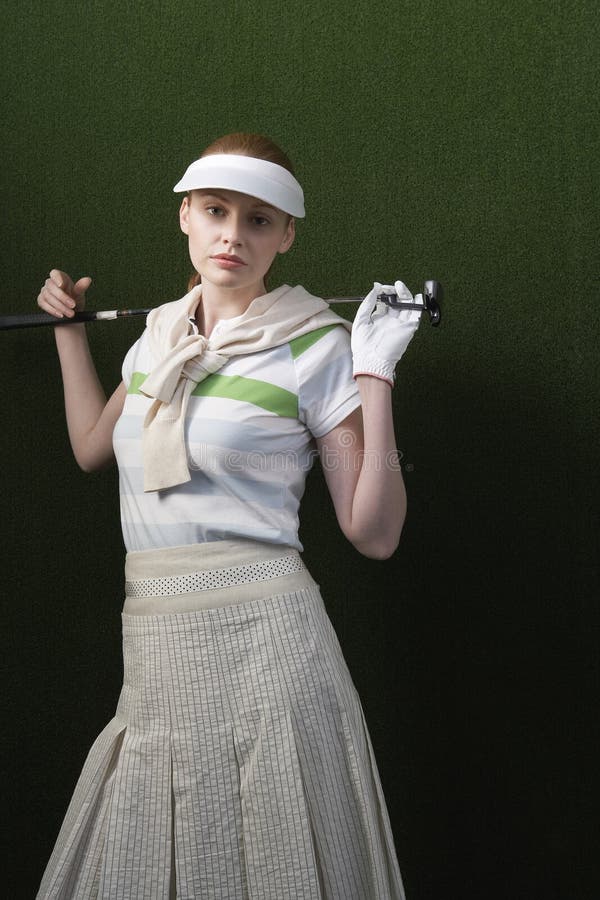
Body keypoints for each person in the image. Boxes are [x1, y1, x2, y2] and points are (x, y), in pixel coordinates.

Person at [35, 132, 422, 900]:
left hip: (271, 647)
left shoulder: (315, 346)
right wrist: (70, 334)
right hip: (154, 639)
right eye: (216, 211)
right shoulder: (156, 340)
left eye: (258, 220)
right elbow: (91, 447)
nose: (232, 235)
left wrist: (374, 373)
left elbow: (372, 531)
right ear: (186, 215)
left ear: (286, 236)